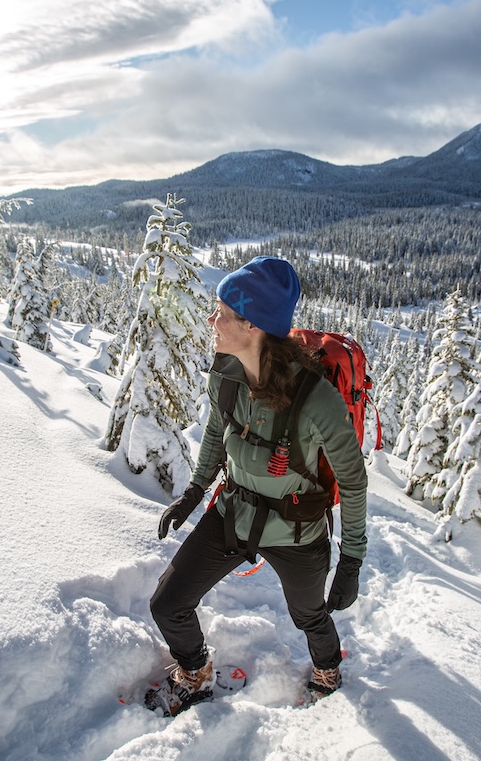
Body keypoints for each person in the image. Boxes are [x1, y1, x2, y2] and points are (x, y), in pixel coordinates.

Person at [148, 256, 368, 715]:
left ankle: (328, 669)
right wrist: (193, 493)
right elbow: (215, 434)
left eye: (223, 313)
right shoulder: (226, 374)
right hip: (235, 513)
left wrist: (350, 561)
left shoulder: (316, 399)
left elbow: (353, 478)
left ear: (253, 326)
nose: (212, 320)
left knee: (309, 615)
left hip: (297, 531)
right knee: (168, 604)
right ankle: (195, 670)